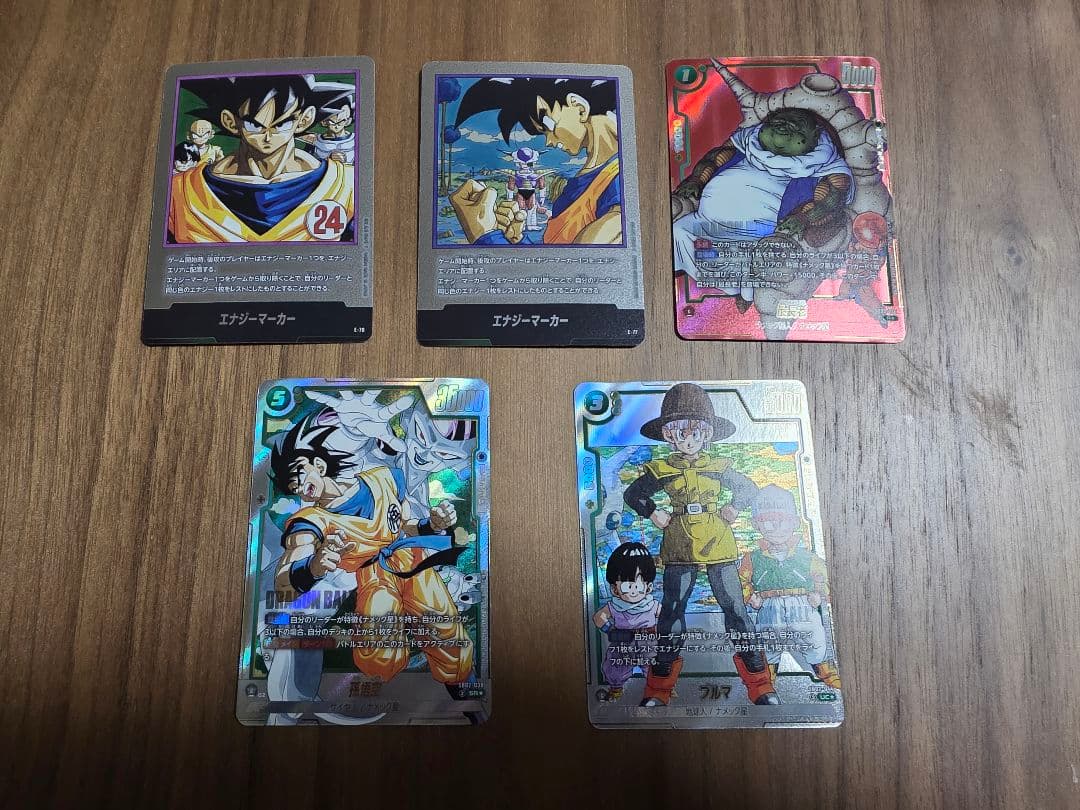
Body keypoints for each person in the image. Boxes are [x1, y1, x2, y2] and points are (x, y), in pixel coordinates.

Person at [269, 414, 474, 689]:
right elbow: (283, 583)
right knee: (379, 654)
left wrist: (433, 524)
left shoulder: (382, 479)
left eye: (298, 473)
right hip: (373, 576)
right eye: (292, 487)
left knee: (448, 635)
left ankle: (461, 684)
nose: (298, 486)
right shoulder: (311, 522)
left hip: (413, 563)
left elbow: (406, 524)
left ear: (318, 464)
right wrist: (313, 567)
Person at [623, 383, 778, 707]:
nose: (688, 439)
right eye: (680, 433)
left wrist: (734, 507)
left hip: (718, 540)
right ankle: (658, 688)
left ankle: (761, 685)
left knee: (735, 608)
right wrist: (653, 512)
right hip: (679, 542)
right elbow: (633, 494)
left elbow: (748, 488)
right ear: (669, 435)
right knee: (672, 611)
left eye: (695, 432)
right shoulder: (662, 469)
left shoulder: (719, 466)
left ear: (706, 434)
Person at [671, 107, 853, 306]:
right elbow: (713, 160)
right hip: (705, 222)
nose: (783, 130)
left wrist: (804, 217)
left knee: (754, 261)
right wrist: (696, 180)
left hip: (757, 237)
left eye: (795, 128)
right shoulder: (746, 140)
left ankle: (741, 290)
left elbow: (830, 202)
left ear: (814, 137)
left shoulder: (827, 164)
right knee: (678, 231)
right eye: (778, 123)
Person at [168, 74, 355, 242]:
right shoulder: (183, 191)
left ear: (304, 120)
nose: (268, 136)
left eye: (281, 124)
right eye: (254, 125)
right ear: (230, 122)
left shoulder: (344, 185)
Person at [448, 76, 623, 245]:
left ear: (579, 108)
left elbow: (580, 264)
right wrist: (518, 240)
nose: (549, 142)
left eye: (548, 126)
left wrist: (485, 235)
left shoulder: (619, 184)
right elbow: (555, 256)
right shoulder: (588, 178)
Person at [739, 485, 841, 688]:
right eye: (768, 522)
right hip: (769, 606)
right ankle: (766, 679)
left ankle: (826, 673)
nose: (776, 527)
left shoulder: (807, 557)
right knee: (768, 643)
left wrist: (819, 594)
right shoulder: (752, 558)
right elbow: (741, 581)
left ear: (794, 522)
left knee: (814, 640)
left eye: (783, 521)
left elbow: (824, 577)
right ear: (756, 525)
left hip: (802, 604)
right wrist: (750, 596)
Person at [592, 542, 661, 701]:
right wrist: (610, 630)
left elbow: (666, 618)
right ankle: (616, 687)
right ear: (615, 589)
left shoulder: (652, 605)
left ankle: (658, 688)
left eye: (638, 584)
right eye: (627, 586)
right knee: (615, 667)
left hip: (648, 642)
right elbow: (598, 617)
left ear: (648, 587)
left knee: (653, 666)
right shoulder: (615, 606)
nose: (633, 590)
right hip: (622, 642)